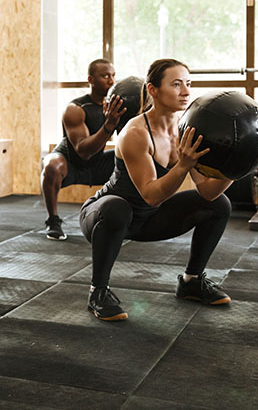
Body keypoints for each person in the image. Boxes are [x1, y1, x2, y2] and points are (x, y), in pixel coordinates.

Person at [79, 58, 233, 322]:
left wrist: (236, 168)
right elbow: (151, 193)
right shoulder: (135, 132)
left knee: (219, 204)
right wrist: (183, 165)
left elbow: (207, 191)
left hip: (149, 219)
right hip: (104, 217)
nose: (185, 91)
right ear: (153, 89)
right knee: (117, 207)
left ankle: (191, 282)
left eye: (188, 84)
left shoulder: (185, 130)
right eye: (176, 84)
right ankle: (98, 292)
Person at [41, 59, 125, 240]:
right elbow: (82, 150)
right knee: (51, 166)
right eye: (105, 76)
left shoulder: (113, 107)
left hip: (96, 162)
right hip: (70, 160)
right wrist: (109, 125)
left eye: (113, 76)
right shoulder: (75, 109)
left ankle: (133, 216)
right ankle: (53, 220)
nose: (111, 81)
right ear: (91, 79)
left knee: (130, 159)